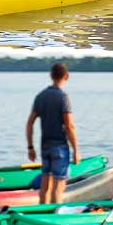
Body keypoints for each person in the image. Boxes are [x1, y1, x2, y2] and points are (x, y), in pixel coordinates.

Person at [26, 63, 80, 204]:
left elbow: (29, 123)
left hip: (45, 147)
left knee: (45, 187)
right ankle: (55, 217)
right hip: (60, 147)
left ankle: (42, 214)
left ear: (51, 76)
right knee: (58, 188)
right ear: (67, 76)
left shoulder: (41, 96)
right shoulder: (63, 97)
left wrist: (30, 147)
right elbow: (69, 126)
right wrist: (76, 150)